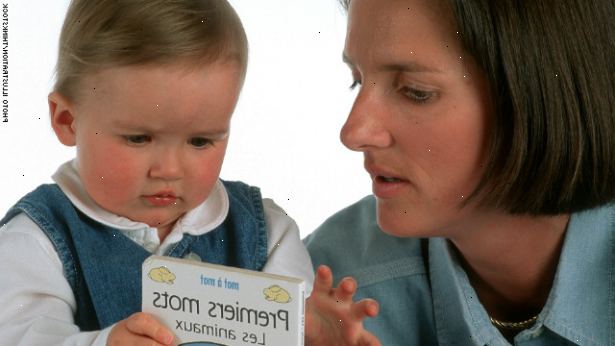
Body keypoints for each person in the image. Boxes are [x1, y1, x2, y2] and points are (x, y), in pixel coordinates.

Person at [0, 0, 378, 345]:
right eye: (138, 138)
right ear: (67, 120)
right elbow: (19, 335)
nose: (169, 170)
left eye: (199, 142)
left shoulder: (266, 232)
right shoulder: (37, 238)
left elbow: (287, 327)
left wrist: (311, 338)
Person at [305, 0, 615, 344]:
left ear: (541, 96)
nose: (353, 132)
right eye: (357, 80)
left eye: (415, 92)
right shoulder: (324, 287)